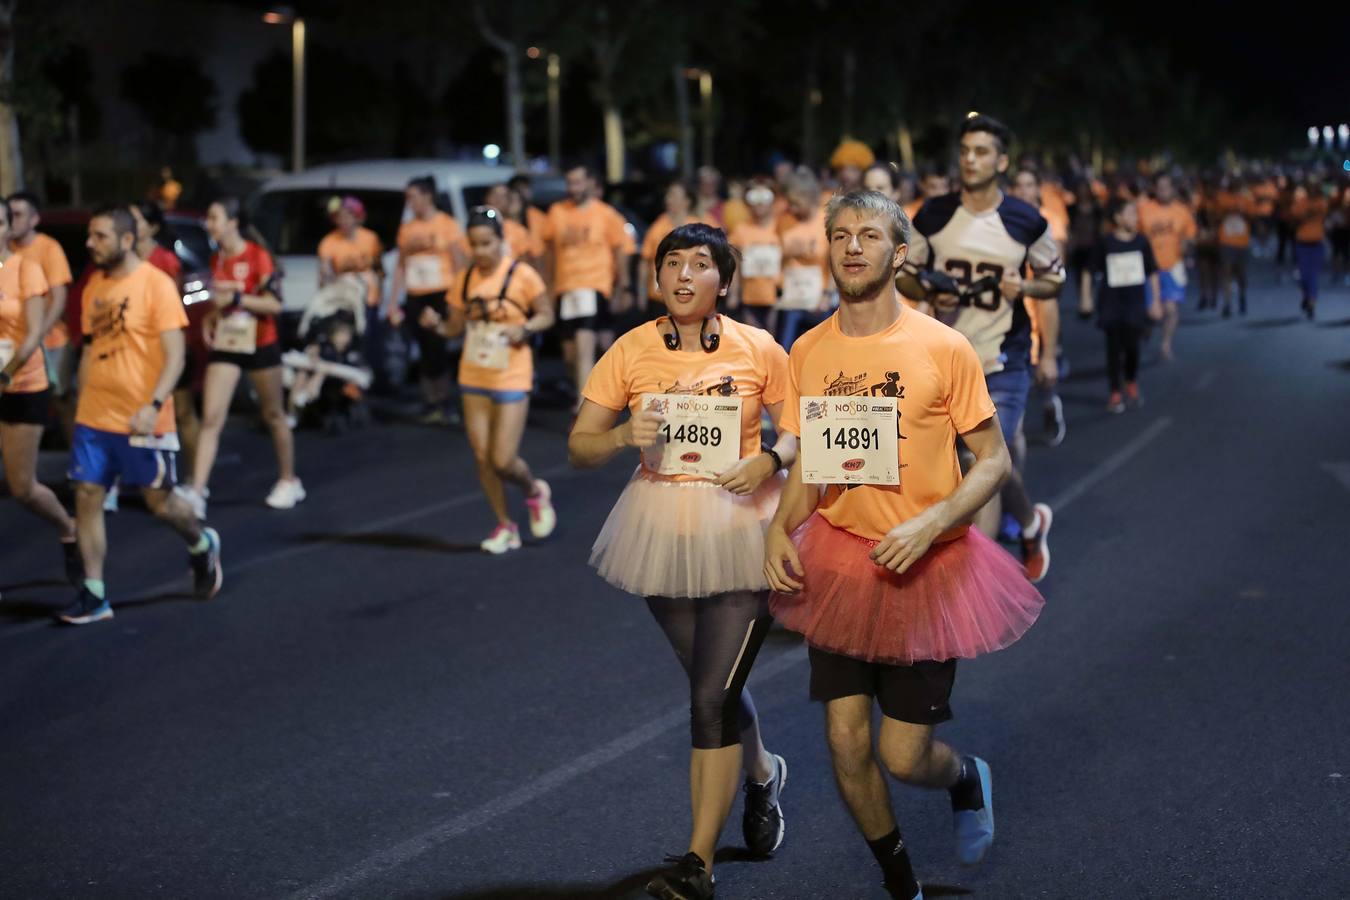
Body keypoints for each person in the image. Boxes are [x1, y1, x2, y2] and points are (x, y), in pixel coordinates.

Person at [765, 190, 1044, 900]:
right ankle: (902, 886)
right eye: (839, 235)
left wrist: (929, 522)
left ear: (901, 253)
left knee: (903, 754)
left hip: (926, 566)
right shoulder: (810, 348)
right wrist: (777, 526)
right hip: (840, 561)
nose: (851, 247)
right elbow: (814, 465)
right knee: (846, 741)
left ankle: (963, 778)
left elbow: (994, 461)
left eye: (868, 235)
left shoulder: (943, 347)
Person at [569, 223, 797, 900]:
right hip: (661, 526)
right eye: (674, 263)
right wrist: (617, 435)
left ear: (722, 280)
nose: (685, 275)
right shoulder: (631, 348)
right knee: (713, 684)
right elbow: (578, 445)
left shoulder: (758, 347)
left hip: (745, 526)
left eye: (701, 264)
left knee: (710, 696)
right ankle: (762, 773)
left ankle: (698, 863)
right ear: (657, 277)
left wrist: (770, 457)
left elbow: (801, 427)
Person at [897, 115, 1061, 583]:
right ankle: (1031, 522)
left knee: (983, 461)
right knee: (961, 463)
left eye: (982, 151)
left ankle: (976, 579)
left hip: (1002, 358)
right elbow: (905, 271)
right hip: (943, 357)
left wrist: (1025, 288)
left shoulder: (1026, 220)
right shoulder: (933, 213)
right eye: (966, 150)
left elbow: (1054, 280)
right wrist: (928, 286)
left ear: (1002, 160)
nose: (971, 159)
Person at [58, 207, 221, 625]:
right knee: (87, 496)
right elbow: (91, 347)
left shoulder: (156, 285)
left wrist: (153, 406)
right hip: (96, 415)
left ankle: (201, 543)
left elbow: (176, 355)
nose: (90, 243)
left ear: (127, 240)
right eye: (90, 236)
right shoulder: (94, 284)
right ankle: (94, 594)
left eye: (100, 236)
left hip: (142, 417)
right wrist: (78, 397)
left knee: (160, 504)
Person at [420, 208, 558, 553]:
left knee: (503, 458)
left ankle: (533, 491)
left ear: (501, 241)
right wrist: (434, 325)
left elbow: (546, 314)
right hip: (474, 372)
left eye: (487, 243)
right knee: (482, 457)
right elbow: (454, 327)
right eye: (474, 244)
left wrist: (524, 327)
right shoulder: (464, 279)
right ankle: (504, 525)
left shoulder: (522, 275)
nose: (480, 251)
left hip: (512, 372)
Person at [181, 197, 302, 519]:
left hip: (261, 343)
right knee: (211, 418)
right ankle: (197, 492)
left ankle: (289, 480)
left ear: (234, 222)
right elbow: (221, 301)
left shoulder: (257, 256)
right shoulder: (217, 257)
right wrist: (210, 319)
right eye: (209, 218)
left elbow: (275, 305)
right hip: (228, 343)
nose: (210, 224)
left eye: (214, 217)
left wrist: (237, 297)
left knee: (273, 414)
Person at [0, 200, 80, 583]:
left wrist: (5, 375)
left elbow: (33, 333)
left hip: (22, 384)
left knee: (22, 488)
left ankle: (69, 528)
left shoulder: (25, 269)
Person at [540, 163, 635, 405]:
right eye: (570, 182)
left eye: (578, 182)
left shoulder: (606, 214)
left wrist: (623, 286)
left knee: (584, 346)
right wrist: (548, 286)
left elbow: (621, 251)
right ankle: (603, 388)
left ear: (591, 183)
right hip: (565, 288)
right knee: (571, 353)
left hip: (594, 286)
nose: (573, 188)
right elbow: (549, 251)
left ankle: (581, 408)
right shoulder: (557, 212)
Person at [129, 201, 202, 486]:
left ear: (152, 227)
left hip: (167, 347)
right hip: (137, 352)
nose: (131, 224)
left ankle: (196, 480)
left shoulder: (165, 261)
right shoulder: (124, 260)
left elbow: (173, 309)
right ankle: (144, 478)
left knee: (182, 412)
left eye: (136, 219)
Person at [391, 176, 467, 424]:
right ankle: (430, 401)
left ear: (427, 196)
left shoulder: (447, 224)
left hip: (440, 292)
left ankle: (444, 401)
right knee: (423, 348)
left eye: (413, 196)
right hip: (416, 294)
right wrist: (394, 301)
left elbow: (459, 263)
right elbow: (401, 266)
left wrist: (459, 298)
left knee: (438, 346)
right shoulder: (407, 229)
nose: (409, 202)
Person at [1011, 168, 1068, 448]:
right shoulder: (1004, 220)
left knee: (1045, 365)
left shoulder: (1049, 220)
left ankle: (1049, 403)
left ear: (1037, 189)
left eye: (1029, 184)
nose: (1024, 190)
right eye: (1019, 185)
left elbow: (1057, 269)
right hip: (1014, 305)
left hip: (1042, 300)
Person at [6, 192, 74, 424]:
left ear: (34, 219)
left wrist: (39, 335)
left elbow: (59, 298)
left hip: (51, 341)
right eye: (10, 215)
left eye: (18, 215)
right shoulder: (8, 250)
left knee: (61, 399)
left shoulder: (48, 248)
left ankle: (77, 457)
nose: (13, 220)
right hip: (15, 343)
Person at [1093, 198, 1163, 413]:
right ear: (1118, 218)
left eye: (1135, 214)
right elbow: (1089, 270)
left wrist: (1156, 302)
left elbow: (1152, 273)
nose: (1135, 218)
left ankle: (1131, 380)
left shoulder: (1142, 242)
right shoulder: (1106, 242)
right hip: (1111, 303)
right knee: (1113, 349)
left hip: (1135, 303)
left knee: (1132, 346)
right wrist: (1086, 297)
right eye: (1130, 213)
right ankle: (1115, 391)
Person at [318, 194, 384, 372]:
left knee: (369, 341)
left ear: (357, 217)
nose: (344, 221)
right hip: (345, 299)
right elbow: (324, 273)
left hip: (368, 297)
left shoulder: (370, 238)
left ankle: (370, 380)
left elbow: (380, 269)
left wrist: (382, 297)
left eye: (348, 216)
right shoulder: (329, 242)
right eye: (340, 217)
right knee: (345, 340)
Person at [1136, 173, 1196, 361]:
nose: (1164, 191)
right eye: (1160, 187)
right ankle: (1146, 328)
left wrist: (1187, 247)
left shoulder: (1182, 211)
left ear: (1173, 188)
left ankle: (1166, 344)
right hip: (1148, 268)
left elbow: (1190, 234)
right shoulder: (1143, 210)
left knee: (1171, 309)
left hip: (1172, 266)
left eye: (1167, 187)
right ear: (1154, 189)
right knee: (1152, 313)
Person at [640, 181, 707, 311]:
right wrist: (642, 293)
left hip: (691, 295)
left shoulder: (700, 227)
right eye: (668, 195)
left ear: (687, 201)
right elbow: (645, 261)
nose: (668, 199)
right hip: (659, 298)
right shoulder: (657, 226)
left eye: (673, 195)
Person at [728, 184, 783, 333]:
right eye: (754, 199)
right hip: (749, 296)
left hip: (776, 296)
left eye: (764, 199)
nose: (759, 205)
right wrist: (734, 292)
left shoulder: (781, 226)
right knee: (754, 340)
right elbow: (735, 264)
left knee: (774, 342)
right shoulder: (740, 230)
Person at [1212, 175, 1254, 317]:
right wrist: (1226, 212)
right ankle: (1227, 303)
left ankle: (1242, 296)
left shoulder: (1246, 199)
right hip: (1226, 240)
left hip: (1242, 241)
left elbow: (1253, 216)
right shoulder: (1221, 198)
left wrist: (1243, 212)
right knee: (1226, 272)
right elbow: (1215, 216)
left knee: (1241, 273)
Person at [1290, 175, 1329, 320]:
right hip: (1302, 242)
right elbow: (1294, 219)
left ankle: (1312, 303)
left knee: (1313, 275)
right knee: (1302, 275)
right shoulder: (1300, 202)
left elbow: (1325, 216)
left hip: (1317, 243)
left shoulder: (1322, 202)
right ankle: (1306, 296)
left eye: (1315, 186)